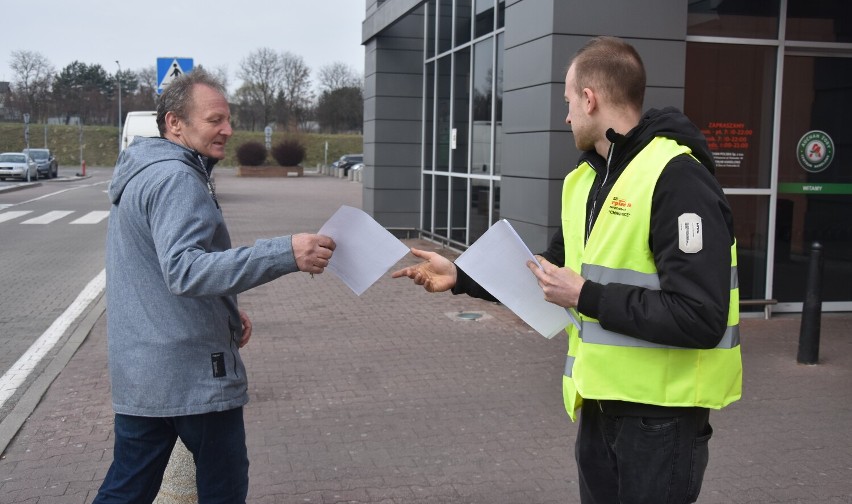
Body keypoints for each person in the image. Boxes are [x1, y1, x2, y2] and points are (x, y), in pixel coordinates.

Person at [393, 36, 742, 504]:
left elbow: (700, 315)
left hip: (662, 421)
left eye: (569, 102)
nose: (566, 117)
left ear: (590, 98)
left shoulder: (677, 177)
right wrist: (461, 276)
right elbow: (552, 274)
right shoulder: (585, 179)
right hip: (599, 409)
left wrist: (586, 296)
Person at [95, 68, 335, 504]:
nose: (227, 129)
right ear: (174, 123)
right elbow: (185, 270)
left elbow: (155, 271)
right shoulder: (175, 178)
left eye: (228, 119)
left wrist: (223, 314)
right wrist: (286, 253)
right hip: (193, 373)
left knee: (126, 488)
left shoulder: (144, 171)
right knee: (222, 488)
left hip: (142, 370)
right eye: (214, 120)